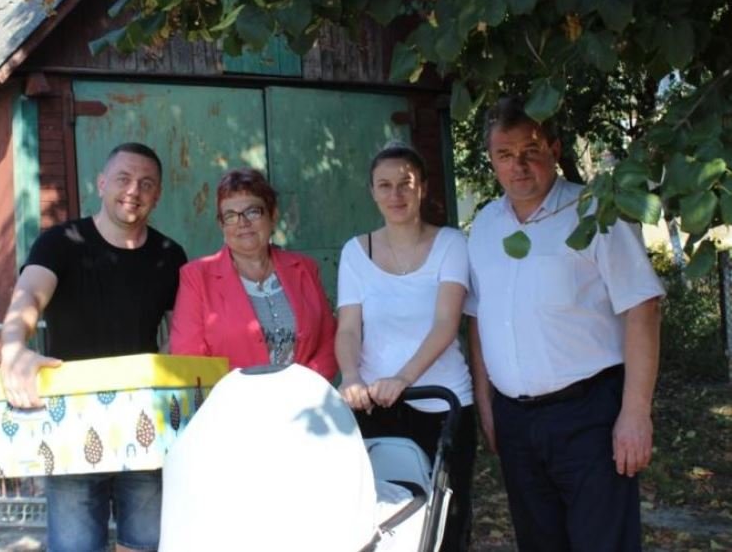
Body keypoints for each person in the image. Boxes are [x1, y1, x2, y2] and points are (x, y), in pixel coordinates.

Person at [466, 96, 664, 551]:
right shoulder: (486, 226)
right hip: (515, 421)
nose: (518, 166)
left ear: (555, 150)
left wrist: (635, 413)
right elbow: (478, 318)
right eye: (504, 154)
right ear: (491, 159)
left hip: (589, 415)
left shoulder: (595, 213)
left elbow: (643, 307)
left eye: (530, 151)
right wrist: (486, 405)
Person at [0, 142, 187, 552]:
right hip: (70, 418)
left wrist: (171, 370)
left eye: (147, 183)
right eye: (123, 178)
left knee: (146, 543)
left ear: (157, 195)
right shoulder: (59, 242)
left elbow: (182, 331)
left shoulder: (171, 256)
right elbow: (29, 294)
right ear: (101, 184)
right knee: (75, 546)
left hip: (144, 419)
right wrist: (13, 346)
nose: (133, 190)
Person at [334, 141, 476, 551]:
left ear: (422, 188)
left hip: (442, 401)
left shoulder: (451, 244)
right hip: (375, 404)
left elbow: (446, 323)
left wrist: (403, 378)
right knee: (382, 519)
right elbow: (348, 329)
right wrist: (352, 376)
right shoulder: (355, 252)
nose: (395, 195)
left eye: (405, 184)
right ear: (372, 192)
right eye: (385, 185)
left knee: (446, 519)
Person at [170, 168, 337, 380]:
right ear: (221, 225)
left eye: (252, 212)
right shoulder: (196, 277)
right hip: (231, 399)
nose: (243, 223)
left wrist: (304, 385)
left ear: (273, 215)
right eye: (230, 215)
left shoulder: (305, 268)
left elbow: (328, 341)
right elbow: (188, 356)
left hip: (304, 396)